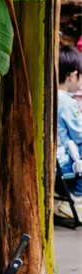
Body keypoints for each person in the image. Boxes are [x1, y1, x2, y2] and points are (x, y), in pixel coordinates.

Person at [57, 46, 82, 201]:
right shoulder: (67, 102)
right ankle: (78, 194)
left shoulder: (51, 96)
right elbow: (79, 134)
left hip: (55, 158)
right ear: (72, 76)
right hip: (63, 163)